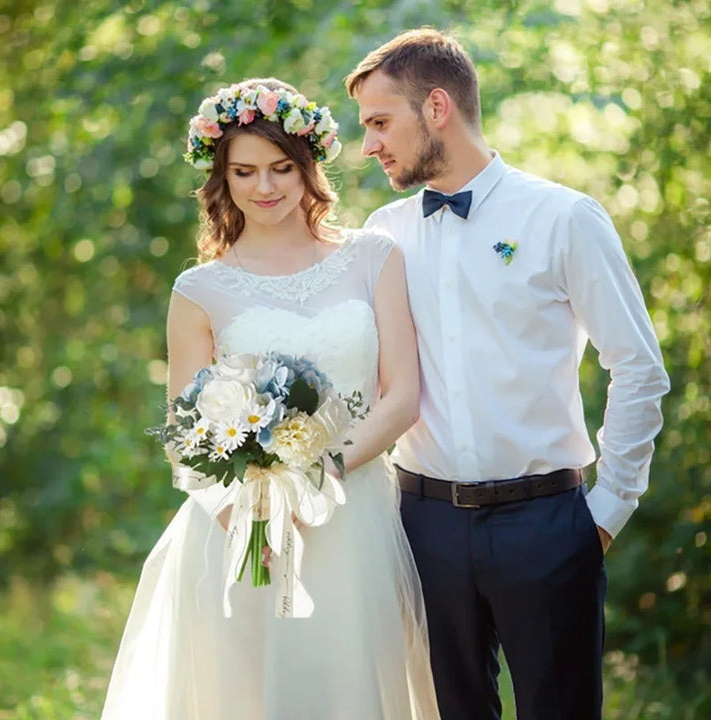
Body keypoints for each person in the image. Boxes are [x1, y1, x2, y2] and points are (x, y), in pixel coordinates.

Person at [347, 29, 670, 720]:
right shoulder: (382, 233)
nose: (368, 145)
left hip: (547, 523)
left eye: (379, 122)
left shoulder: (564, 218)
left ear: (436, 106)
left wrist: (606, 512)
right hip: (421, 525)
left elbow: (638, 367)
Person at [101, 78, 440, 720]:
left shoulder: (373, 258)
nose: (266, 187)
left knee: (348, 687)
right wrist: (253, 519)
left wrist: (318, 480)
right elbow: (185, 434)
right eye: (246, 171)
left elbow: (402, 398)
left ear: (308, 165)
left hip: (356, 514)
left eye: (282, 167)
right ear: (220, 179)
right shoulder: (200, 289)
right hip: (244, 528)